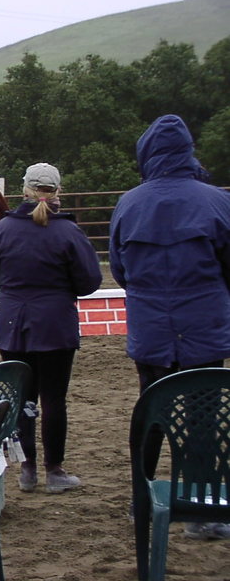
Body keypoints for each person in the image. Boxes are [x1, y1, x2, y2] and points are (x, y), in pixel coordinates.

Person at [109, 114, 230, 540]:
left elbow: (120, 269)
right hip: (204, 329)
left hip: (151, 330)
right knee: (204, 419)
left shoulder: (128, 204)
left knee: (152, 412)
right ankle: (202, 510)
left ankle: (140, 499)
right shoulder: (217, 202)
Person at [0, 163, 102, 494]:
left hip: (12, 323)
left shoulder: (4, 229)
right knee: (53, 399)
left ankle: (28, 469)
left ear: (24, 189)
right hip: (54, 323)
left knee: (22, 398)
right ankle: (55, 470)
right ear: (57, 191)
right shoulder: (68, 232)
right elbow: (90, 281)